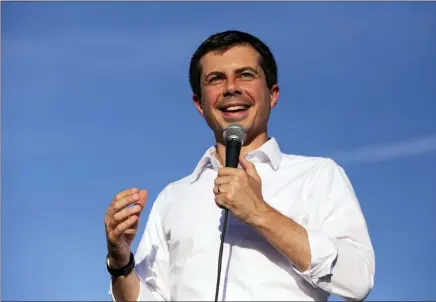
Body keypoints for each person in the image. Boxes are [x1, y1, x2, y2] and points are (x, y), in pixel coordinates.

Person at [104, 30, 375, 301]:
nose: (231, 88)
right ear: (199, 104)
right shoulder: (173, 197)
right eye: (216, 79)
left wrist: (259, 212)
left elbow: (358, 280)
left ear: (273, 94)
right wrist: (120, 264)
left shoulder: (317, 176)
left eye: (246, 75)